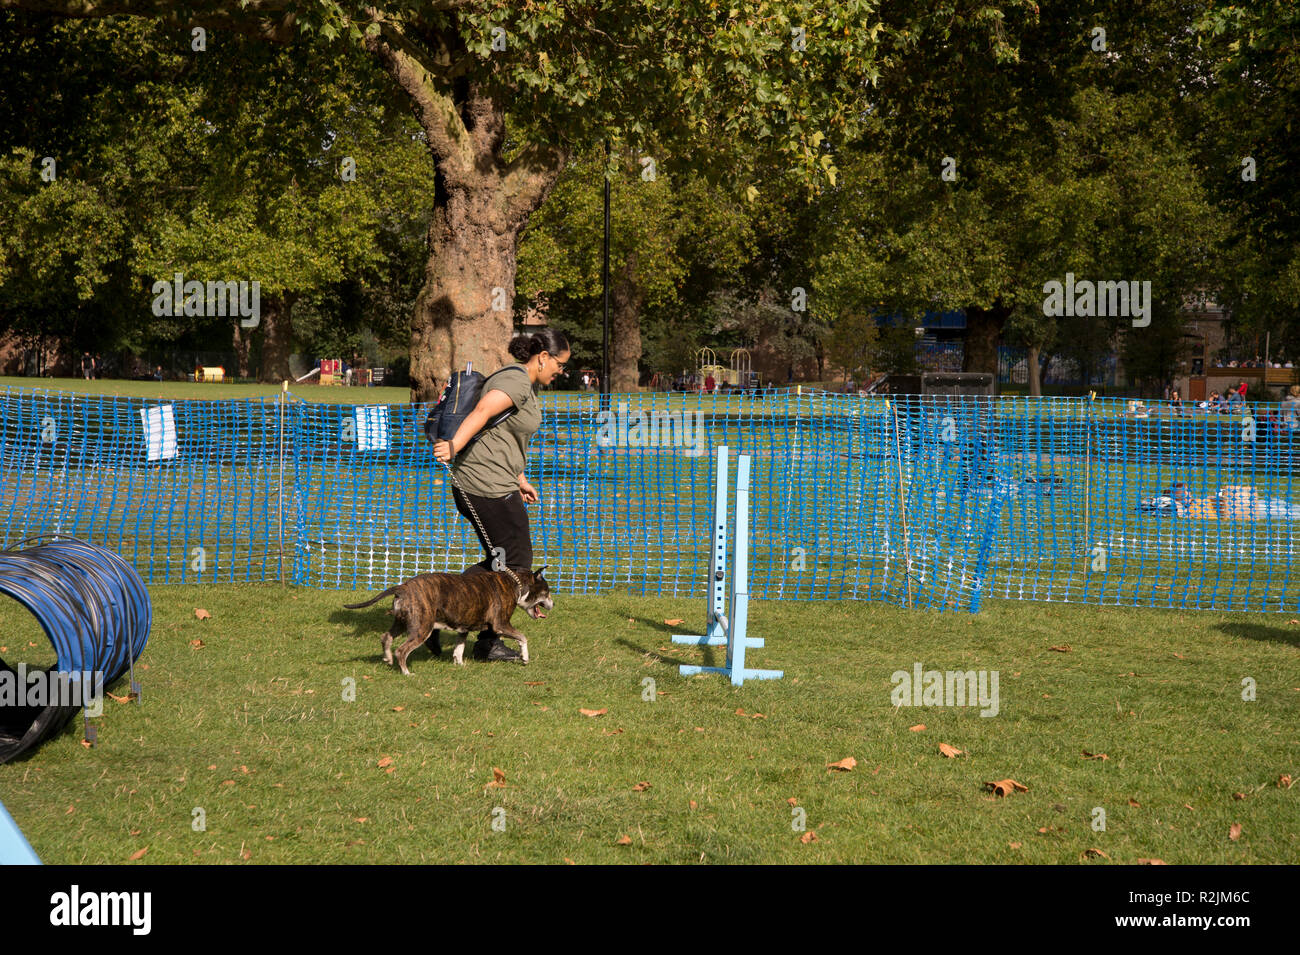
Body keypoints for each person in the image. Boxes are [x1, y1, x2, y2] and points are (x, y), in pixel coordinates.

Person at [432, 327, 570, 661]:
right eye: (560, 365)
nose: (561, 372)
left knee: (504, 563)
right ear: (543, 357)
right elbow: (481, 414)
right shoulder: (516, 382)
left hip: (499, 481)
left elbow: (505, 434)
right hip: (483, 485)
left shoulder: (524, 384)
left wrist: (519, 477)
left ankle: (439, 614)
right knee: (515, 563)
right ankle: (479, 637)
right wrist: (453, 445)